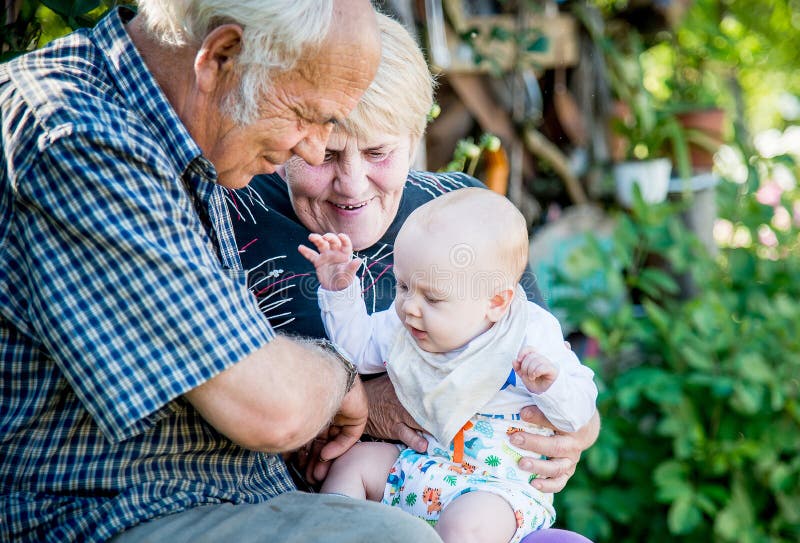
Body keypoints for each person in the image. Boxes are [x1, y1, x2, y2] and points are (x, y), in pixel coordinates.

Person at [0, 1, 443, 542]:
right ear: (220, 57)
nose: (309, 146)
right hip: (112, 515)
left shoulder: (181, 132)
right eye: (307, 115)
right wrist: (343, 379)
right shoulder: (81, 138)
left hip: (219, 496)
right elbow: (269, 407)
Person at [229, 13, 599, 543]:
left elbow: (551, 362)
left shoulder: (462, 213)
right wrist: (366, 400)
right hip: (306, 506)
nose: (351, 184)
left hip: (478, 494)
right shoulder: (236, 209)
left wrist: (578, 430)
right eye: (327, 154)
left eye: (379, 152)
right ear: (294, 130)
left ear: (415, 136)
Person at [299, 187, 598, 543]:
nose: (410, 306)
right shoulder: (406, 323)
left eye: (433, 297)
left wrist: (551, 384)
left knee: (464, 527)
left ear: (496, 302)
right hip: (423, 465)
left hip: (497, 488)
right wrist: (340, 293)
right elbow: (357, 350)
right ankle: (332, 535)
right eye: (403, 285)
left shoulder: (529, 334)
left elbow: (579, 412)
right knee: (354, 465)